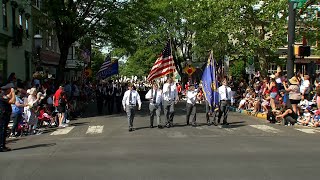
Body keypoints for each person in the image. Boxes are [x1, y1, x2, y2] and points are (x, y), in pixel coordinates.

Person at [0, 83, 16, 152]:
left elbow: (8, 97)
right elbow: (12, 101)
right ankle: (1, 146)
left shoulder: (3, 95)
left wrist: (11, 93)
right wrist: (13, 93)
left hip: (5, 115)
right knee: (2, 131)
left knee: (3, 130)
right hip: (3, 115)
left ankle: (3, 145)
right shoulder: (2, 95)